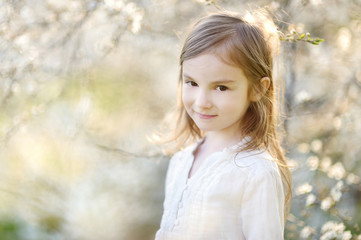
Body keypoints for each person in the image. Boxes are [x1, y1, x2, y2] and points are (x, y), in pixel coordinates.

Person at [154, 9, 292, 240]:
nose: (202, 102)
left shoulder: (255, 172)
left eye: (221, 87)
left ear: (258, 89)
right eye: (192, 83)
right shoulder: (181, 160)